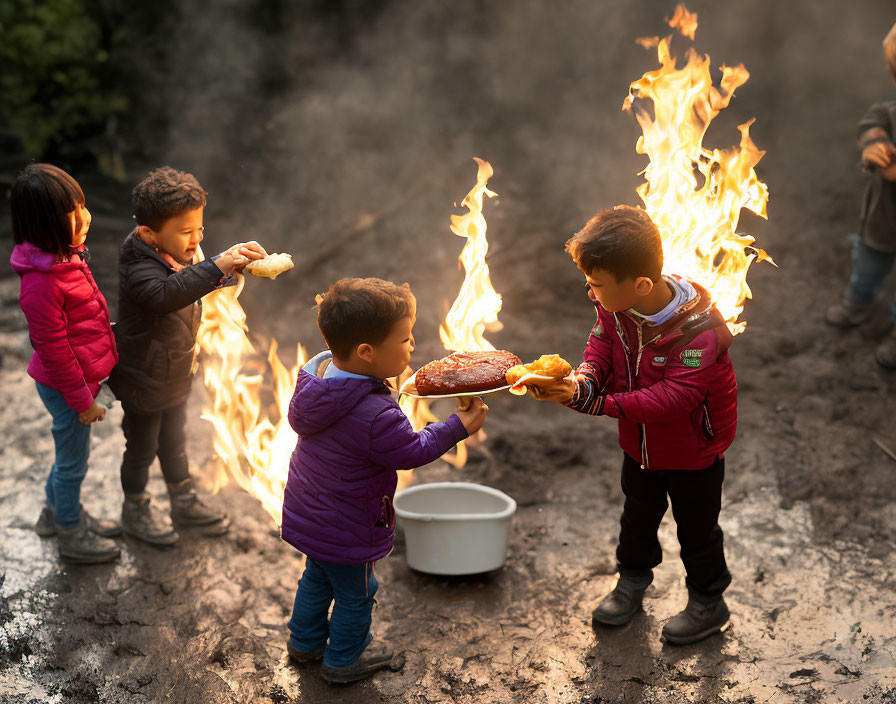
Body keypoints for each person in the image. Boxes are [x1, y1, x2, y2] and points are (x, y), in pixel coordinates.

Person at [526, 206, 737, 645]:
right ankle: (632, 582)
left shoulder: (697, 332)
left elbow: (675, 399)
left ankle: (708, 602)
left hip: (692, 451)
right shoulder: (617, 309)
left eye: (597, 284)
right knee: (637, 518)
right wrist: (580, 383)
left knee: (697, 529)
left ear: (640, 285)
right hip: (640, 448)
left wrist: (599, 404)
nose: (590, 292)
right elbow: (600, 348)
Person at [281, 277, 488, 683]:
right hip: (348, 524)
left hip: (308, 512)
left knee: (316, 577)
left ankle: (303, 643)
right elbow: (411, 451)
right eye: (406, 339)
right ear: (366, 352)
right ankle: (343, 659)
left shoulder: (317, 380)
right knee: (357, 593)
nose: (412, 346)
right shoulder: (376, 414)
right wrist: (457, 427)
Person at [108, 166, 265, 545]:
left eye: (200, 230)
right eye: (185, 232)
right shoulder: (138, 264)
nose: (196, 240)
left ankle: (183, 500)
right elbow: (165, 295)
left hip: (175, 370)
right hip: (142, 377)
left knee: (174, 441)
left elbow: (194, 280)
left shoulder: (179, 248)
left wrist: (231, 265)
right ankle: (136, 508)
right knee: (142, 447)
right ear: (149, 233)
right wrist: (216, 266)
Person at [10, 163, 122, 564]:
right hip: (66, 386)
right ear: (42, 224)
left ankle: (54, 513)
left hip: (76, 380)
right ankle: (71, 533)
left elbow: (83, 320)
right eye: (71, 213)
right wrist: (82, 402)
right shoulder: (40, 283)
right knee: (74, 462)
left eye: (83, 205)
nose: (85, 217)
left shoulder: (65, 256)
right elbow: (55, 352)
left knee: (66, 456)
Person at [826, 22, 896, 367]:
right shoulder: (888, 113)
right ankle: (859, 303)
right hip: (881, 224)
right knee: (867, 267)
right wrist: (875, 150)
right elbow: (871, 126)